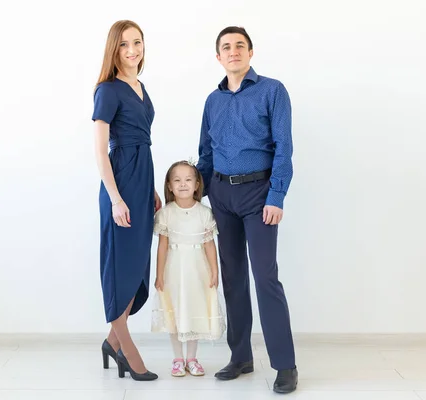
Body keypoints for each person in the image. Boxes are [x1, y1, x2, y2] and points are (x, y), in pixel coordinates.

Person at [196, 26, 298, 393]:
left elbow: (284, 148)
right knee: (232, 277)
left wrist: (277, 196)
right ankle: (240, 356)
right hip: (221, 194)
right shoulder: (213, 100)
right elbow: (206, 153)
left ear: (250, 53)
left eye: (240, 45)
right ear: (218, 57)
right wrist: (194, 196)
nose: (233, 51)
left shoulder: (272, 91)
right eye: (226, 47)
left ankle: (285, 365)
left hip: (259, 194)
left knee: (265, 277)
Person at [92, 20, 162, 381]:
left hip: (141, 180)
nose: (132, 50)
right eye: (124, 45)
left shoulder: (140, 86)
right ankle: (129, 353)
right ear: (113, 50)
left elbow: (141, 143)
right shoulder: (107, 90)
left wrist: (148, 188)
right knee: (120, 267)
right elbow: (101, 153)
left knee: (137, 268)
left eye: (137, 42)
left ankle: (110, 342)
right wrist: (117, 199)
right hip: (119, 184)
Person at [151, 160, 225, 377]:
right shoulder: (166, 213)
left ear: (196, 184)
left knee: (193, 310)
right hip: (174, 270)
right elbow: (162, 246)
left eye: (188, 180)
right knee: (175, 313)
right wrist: (159, 274)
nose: (183, 184)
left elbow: (209, 244)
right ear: (169, 186)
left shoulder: (204, 213)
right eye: (177, 180)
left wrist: (214, 270)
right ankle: (177, 359)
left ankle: (192, 358)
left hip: (197, 271)